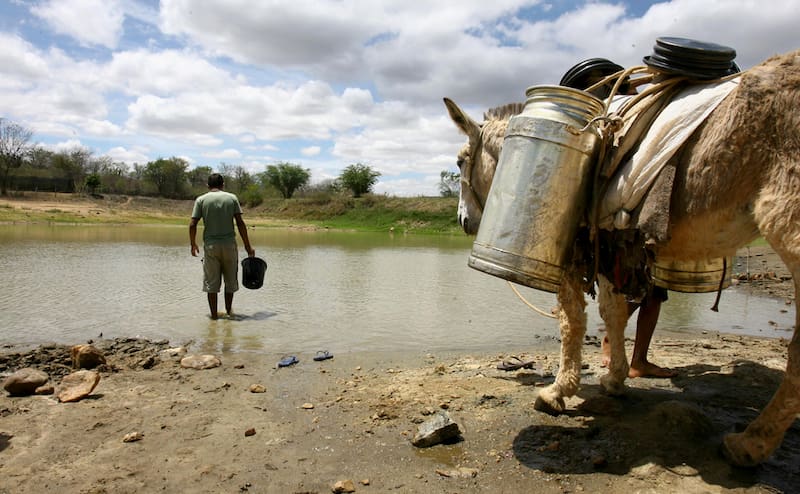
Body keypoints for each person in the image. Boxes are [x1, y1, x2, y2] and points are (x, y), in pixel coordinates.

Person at [561, 58, 677, 378]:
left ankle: (630, 354)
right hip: (621, 227)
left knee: (651, 292)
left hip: (634, 223)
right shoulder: (604, 127)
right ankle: (621, 348)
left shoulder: (633, 124)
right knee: (639, 290)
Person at [189, 173, 255, 319]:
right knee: (230, 281)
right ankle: (229, 313)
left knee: (211, 284)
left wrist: (193, 244)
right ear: (223, 185)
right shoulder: (232, 198)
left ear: (208, 186)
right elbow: (240, 223)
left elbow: (193, 224)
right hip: (229, 246)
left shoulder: (201, 199)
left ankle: (213, 317)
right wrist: (248, 247)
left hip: (211, 247)